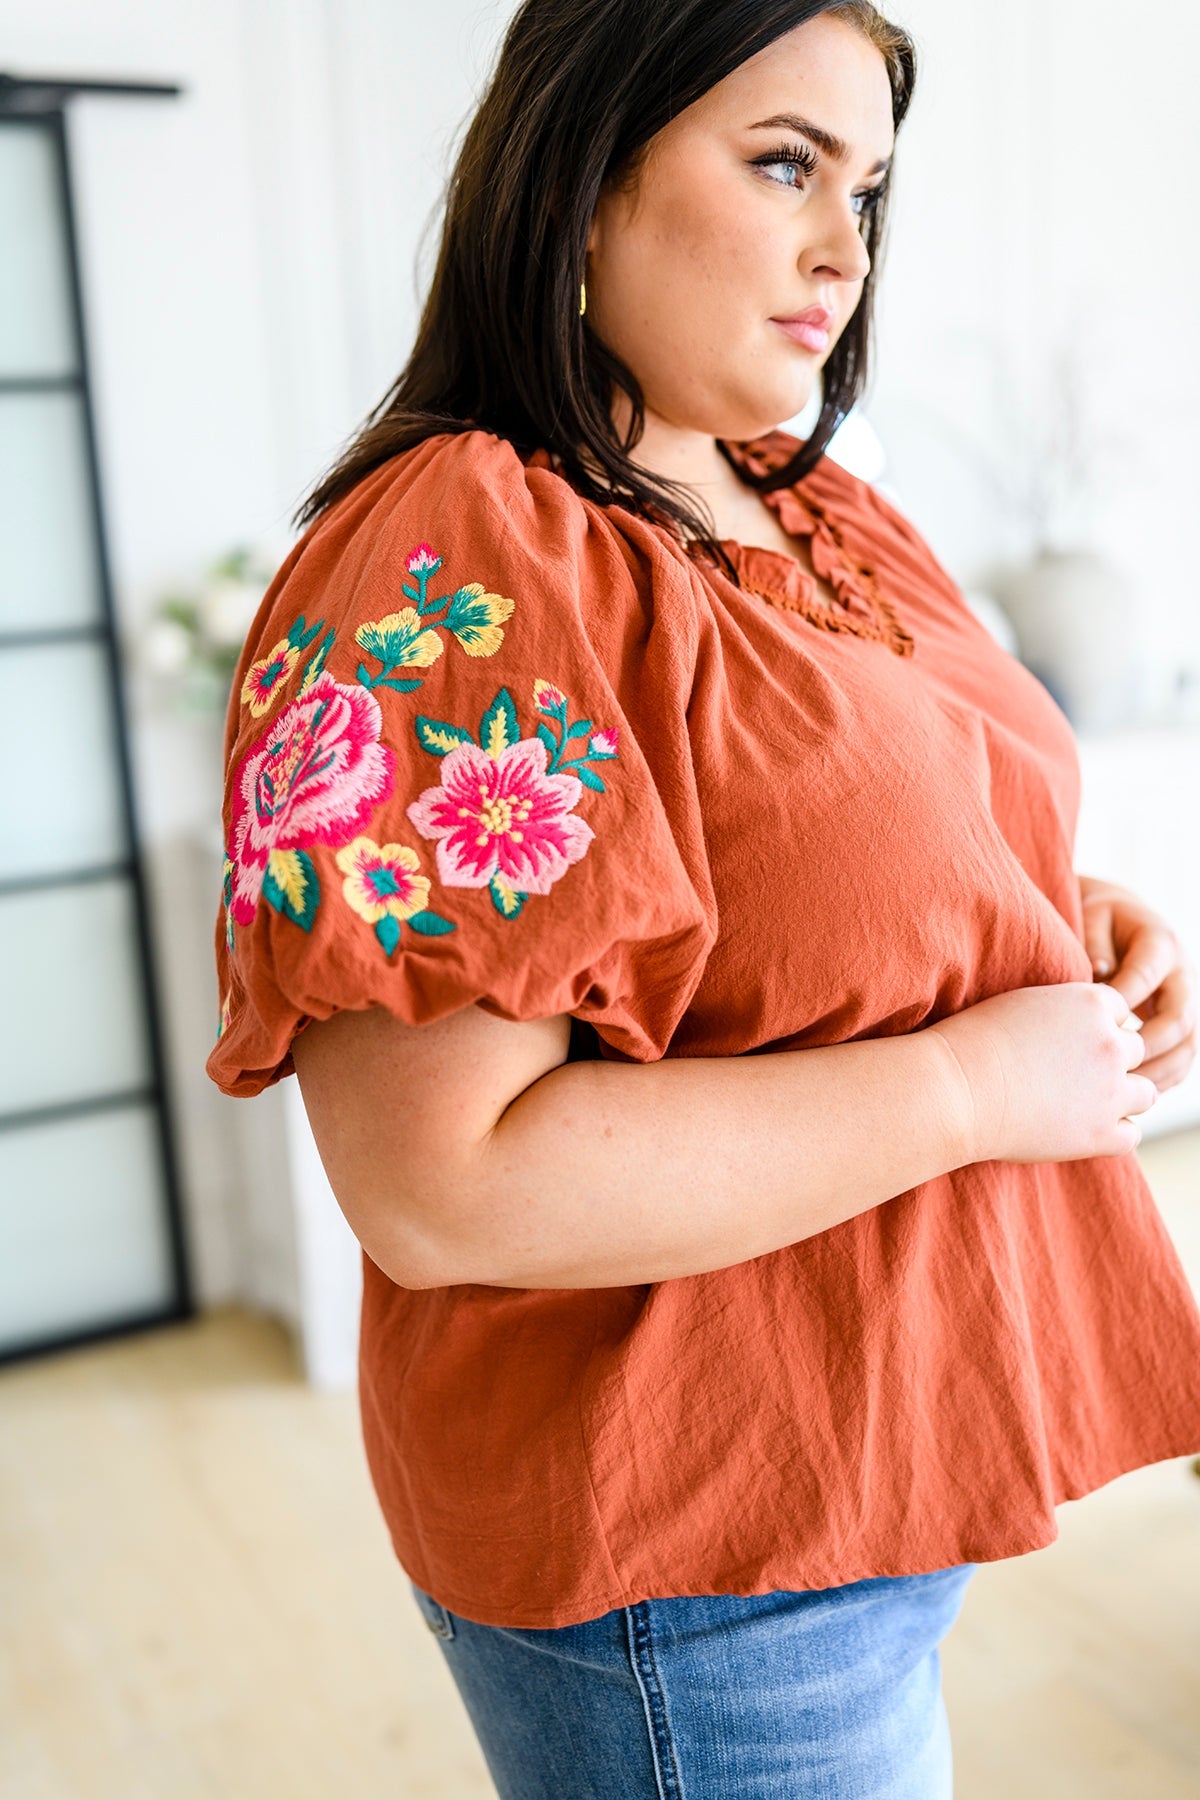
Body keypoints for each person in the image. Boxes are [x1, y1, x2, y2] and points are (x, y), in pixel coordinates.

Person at [206, 1, 1200, 1793]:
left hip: (856, 1479)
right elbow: (443, 1184)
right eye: (781, 166)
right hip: (689, 1560)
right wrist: (974, 1082)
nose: (847, 249)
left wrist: (1048, 907)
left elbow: (792, 860)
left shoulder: (792, 497)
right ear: (582, 180)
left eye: (870, 190)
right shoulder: (462, 554)